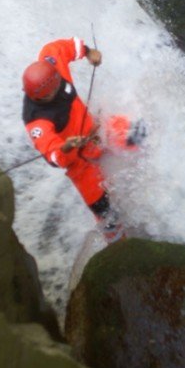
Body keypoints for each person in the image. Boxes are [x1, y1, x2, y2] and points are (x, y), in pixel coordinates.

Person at [22, 36, 124, 243]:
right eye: (54, 90)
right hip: (78, 161)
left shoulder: (51, 66)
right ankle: (120, 243)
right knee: (105, 212)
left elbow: (59, 48)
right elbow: (51, 153)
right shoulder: (36, 122)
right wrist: (66, 147)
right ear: (41, 97)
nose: (60, 86)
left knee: (135, 134)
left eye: (59, 81)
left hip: (96, 128)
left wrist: (87, 52)